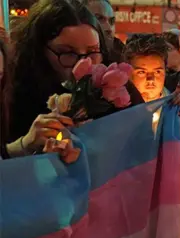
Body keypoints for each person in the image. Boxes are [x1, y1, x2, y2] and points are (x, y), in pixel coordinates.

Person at [7, 0, 109, 145]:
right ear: (38, 51)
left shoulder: (115, 89)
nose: (82, 63)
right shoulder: (11, 97)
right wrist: (24, 145)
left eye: (92, 51)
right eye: (67, 52)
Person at [123, 34, 180, 117]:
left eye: (157, 72)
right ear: (128, 74)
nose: (151, 79)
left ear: (165, 71)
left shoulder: (176, 105)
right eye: (142, 72)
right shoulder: (117, 109)